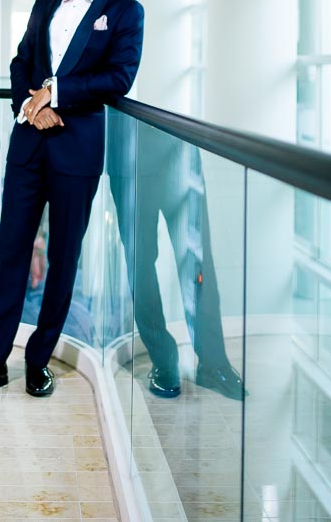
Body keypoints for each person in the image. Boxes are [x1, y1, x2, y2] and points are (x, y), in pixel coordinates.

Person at [0, 0, 144, 399]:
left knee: (62, 259)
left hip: (76, 151)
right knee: (11, 254)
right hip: (29, 144)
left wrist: (55, 94)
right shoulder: (43, 4)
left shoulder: (125, 11)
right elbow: (22, 64)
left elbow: (118, 78)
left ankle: (39, 360)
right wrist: (30, 106)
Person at [105, 111, 246, 400]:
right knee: (140, 264)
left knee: (197, 261)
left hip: (179, 146)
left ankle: (213, 363)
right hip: (128, 154)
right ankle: (163, 360)